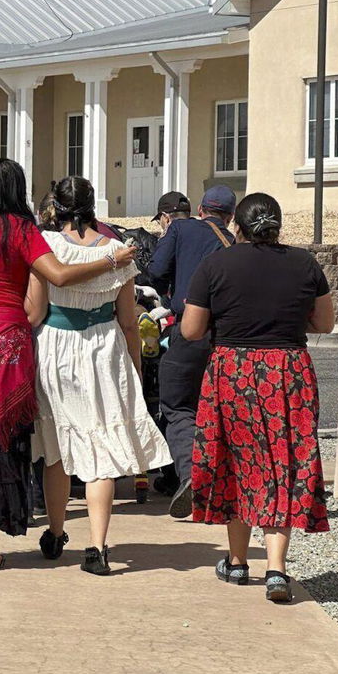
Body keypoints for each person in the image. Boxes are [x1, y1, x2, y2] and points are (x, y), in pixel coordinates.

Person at [0, 159, 136, 570]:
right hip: (3, 334)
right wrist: (113, 260)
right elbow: (58, 275)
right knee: (1, 432)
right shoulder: (20, 230)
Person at [181, 193, 335, 603]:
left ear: (237, 226)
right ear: (278, 225)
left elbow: (192, 330)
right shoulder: (305, 263)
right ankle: (276, 569)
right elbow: (323, 321)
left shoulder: (216, 264)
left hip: (233, 372)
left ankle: (236, 561)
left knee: (236, 460)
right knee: (281, 462)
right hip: (288, 370)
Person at [25, 177, 173, 573]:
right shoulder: (116, 251)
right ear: (93, 206)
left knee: (57, 446)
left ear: (56, 205)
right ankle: (98, 547)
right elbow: (128, 320)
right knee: (102, 446)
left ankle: (56, 533)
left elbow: (35, 312)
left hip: (56, 344)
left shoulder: (47, 245)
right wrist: (136, 370)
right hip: (104, 346)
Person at [147, 185, 236, 518]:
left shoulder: (181, 228)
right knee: (216, 409)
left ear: (200, 209)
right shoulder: (233, 242)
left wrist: (166, 297)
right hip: (226, 336)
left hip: (188, 330)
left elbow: (156, 269)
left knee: (177, 405)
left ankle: (190, 477)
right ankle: (225, 479)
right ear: (229, 216)